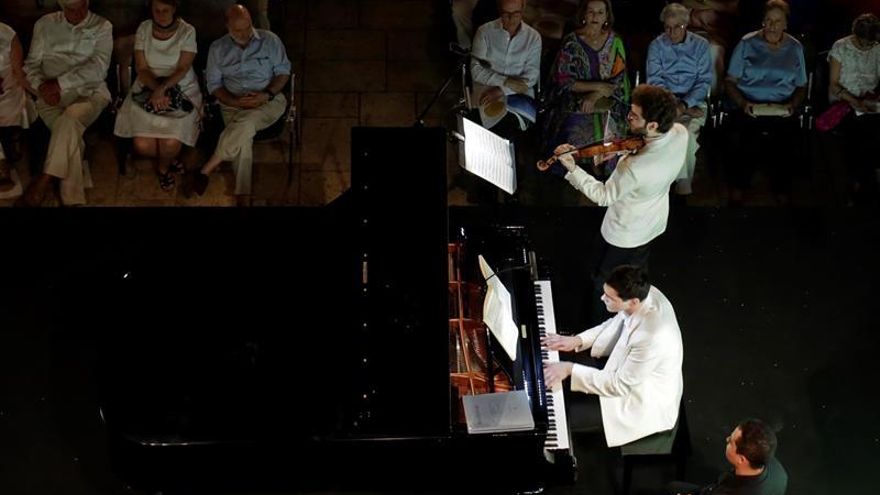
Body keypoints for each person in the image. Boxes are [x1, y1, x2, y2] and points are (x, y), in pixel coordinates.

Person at [550, 84, 687, 325]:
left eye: (634, 116)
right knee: (635, 270)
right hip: (653, 222)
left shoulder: (634, 167)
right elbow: (648, 147)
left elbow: (603, 196)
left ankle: (598, 325)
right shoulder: (679, 132)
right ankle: (632, 308)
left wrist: (571, 168)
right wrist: (620, 151)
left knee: (604, 281)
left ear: (652, 125)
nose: (628, 118)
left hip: (623, 233)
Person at [542, 265, 683, 448]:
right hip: (630, 372)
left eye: (609, 297)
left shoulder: (652, 337)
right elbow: (617, 321)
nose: (602, 298)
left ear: (633, 302)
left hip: (642, 400)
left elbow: (619, 385)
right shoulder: (642, 294)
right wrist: (577, 340)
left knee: (555, 419)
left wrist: (569, 369)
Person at [186, 4, 290, 205]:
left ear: (251, 21)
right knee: (243, 135)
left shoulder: (270, 40)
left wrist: (266, 95)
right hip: (233, 102)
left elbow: (283, 72)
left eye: (248, 27)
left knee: (247, 122)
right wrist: (233, 101)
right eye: (238, 30)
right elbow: (214, 85)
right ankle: (244, 195)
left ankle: (207, 168)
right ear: (228, 28)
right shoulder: (218, 48)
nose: (245, 34)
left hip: (268, 100)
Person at [18, 0, 112, 206]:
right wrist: (42, 87)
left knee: (69, 118)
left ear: (87, 2)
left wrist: (59, 84)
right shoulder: (45, 24)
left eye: (82, 7)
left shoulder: (102, 26)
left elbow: (98, 69)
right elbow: (31, 65)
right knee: (70, 131)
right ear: (61, 6)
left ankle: (43, 181)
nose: (78, 13)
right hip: (49, 97)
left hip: (89, 94)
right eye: (71, 9)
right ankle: (73, 200)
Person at [723, 0, 807, 205]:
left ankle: (782, 189)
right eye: (768, 20)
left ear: (786, 24)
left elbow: (802, 85)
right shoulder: (747, 43)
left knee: (786, 141)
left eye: (777, 21)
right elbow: (730, 81)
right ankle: (739, 187)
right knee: (745, 140)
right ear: (762, 21)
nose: (772, 25)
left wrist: (793, 105)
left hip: (783, 106)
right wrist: (742, 103)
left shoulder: (795, 47)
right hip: (749, 104)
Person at [113, 0, 202, 191]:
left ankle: (163, 168)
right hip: (148, 84)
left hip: (180, 85)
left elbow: (183, 68)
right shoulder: (144, 29)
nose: (161, 15)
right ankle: (168, 159)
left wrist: (163, 90)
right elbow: (141, 67)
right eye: (157, 10)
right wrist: (156, 90)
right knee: (142, 145)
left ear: (174, 9)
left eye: (165, 10)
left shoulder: (187, 31)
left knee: (170, 143)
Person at [541, 0, 630, 177]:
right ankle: (572, 170)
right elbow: (564, 81)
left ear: (606, 16)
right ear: (583, 14)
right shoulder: (571, 42)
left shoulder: (615, 42)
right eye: (591, 12)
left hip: (610, 100)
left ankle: (605, 173)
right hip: (573, 98)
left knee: (611, 126)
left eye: (600, 12)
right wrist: (598, 87)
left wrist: (595, 95)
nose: (595, 16)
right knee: (571, 123)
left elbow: (618, 82)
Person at [647, 2, 713, 197]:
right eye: (667, 27)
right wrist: (677, 105)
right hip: (664, 102)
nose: (671, 32)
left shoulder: (701, 45)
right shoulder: (656, 46)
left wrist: (684, 105)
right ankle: (678, 189)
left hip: (694, 102)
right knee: (668, 136)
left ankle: (677, 190)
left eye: (677, 27)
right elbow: (655, 81)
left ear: (686, 25)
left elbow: (703, 82)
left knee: (686, 136)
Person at [827, 13, 880, 205]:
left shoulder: (877, 48)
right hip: (844, 101)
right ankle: (861, 184)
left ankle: (866, 181)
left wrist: (871, 99)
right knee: (860, 130)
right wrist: (854, 101)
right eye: (863, 42)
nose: (867, 47)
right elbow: (834, 85)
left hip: (869, 101)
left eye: (870, 44)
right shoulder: (841, 47)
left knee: (872, 127)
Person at [470, 0, 541, 133]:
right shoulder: (484, 32)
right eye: (506, 14)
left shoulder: (533, 37)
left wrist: (501, 90)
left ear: (523, 8)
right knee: (484, 129)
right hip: (486, 90)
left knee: (510, 129)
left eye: (516, 14)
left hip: (518, 94)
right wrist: (506, 81)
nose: (511, 19)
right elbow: (476, 70)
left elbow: (531, 77)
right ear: (499, 10)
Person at [668, 418, 788, 495]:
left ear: (741, 459)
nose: (727, 439)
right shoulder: (777, 470)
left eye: (731, 441)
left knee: (672, 488)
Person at [0, 19, 35, 193]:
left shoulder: (7, 34)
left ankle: (3, 163)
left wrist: (39, 93)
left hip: (8, 91)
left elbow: (19, 72)